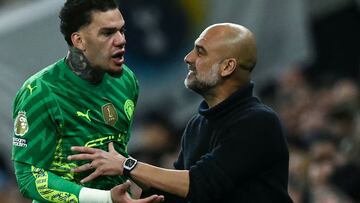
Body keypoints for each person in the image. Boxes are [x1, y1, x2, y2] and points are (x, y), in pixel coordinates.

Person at [68, 23, 294, 202]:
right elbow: (176, 196)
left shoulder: (257, 121)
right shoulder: (197, 125)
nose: (188, 58)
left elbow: (200, 185)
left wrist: (128, 165)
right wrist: (123, 186)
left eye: (200, 52)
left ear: (227, 67)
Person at [11, 0, 164, 202]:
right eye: (108, 33)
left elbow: (117, 153)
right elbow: (28, 177)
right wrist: (105, 198)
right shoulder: (40, 92)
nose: (121, 40)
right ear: (79, 41)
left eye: (122, 30)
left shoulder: (126, 81)